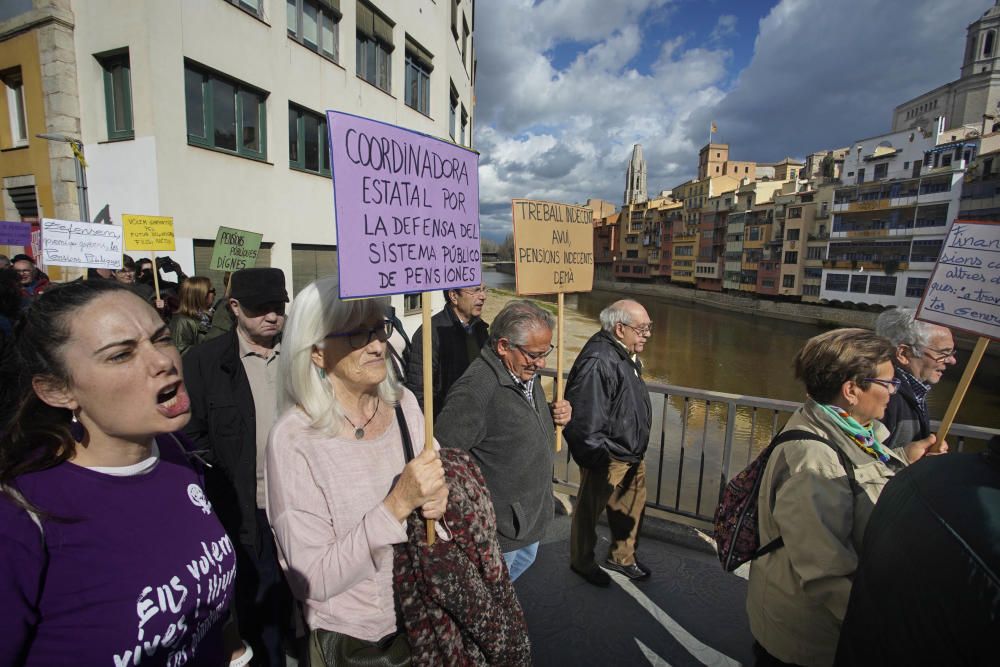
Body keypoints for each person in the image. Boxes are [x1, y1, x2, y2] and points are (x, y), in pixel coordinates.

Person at [0, 280, 236, 665]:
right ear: (58, 391)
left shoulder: (177, 452)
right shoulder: (18, 517)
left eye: (160, 338)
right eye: (120, 355)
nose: (163, 362)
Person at [265, 275, 447, 661]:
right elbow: (312, 578)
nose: (378, 344)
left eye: (379, 327)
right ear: (316, 353)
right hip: (357, 641)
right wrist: (396, 505)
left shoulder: (405, 403)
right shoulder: (294, 439)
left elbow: (437, 480)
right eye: (357, 334)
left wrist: (439, 495)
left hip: (424, 615)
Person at [747, 328, 942, 667]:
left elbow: (856, 476)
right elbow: (826, 572)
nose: (894, 393)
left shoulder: (851, 430)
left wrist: (904, 459)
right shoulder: (813, 460)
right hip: (808, 637)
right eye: (889, 384)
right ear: (852, 390)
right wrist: (888, 630)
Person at [182, 267, 293, 666]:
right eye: (259, 308)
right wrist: (222, 477)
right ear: (234, 307)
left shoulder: (304, 355)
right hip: (247, 509)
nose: (271, 315)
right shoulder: (204, 361)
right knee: (259, 598)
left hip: (300, 505)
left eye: (278, 306)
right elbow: (190, 433)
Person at [435, 300, 572, 581]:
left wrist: (551, 414)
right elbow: (443, 458)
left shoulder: (520, 370)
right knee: (491, 599)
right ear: (503, 346)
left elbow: (512, 419)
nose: (542, 363)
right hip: (501, 529)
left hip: (526, 521)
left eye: (546, 352)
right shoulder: (475, 391)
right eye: (534, 354)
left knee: (509, 586)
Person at [835, 436, 1000, 666]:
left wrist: (904, 459)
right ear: (850, 396)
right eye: (890, 395)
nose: (891, 397)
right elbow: (821, 564)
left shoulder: (920, 473)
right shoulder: (811, 456)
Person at [564, 299, 653, 586]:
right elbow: (585, 420)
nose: (647, 334)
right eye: (642, 329)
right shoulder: (600, 360)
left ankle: (622, 558)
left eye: (649, 327)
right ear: (619, 328)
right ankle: (582, 562)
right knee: (589, 513)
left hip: (629, 451)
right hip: (607, 456)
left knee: (630, 508)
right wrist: (596, 460)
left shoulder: (623, 352)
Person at [874, 307, 957, 448]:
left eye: (952, 352)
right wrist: (908, 460)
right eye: (943, 353)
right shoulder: (884, 397)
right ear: (904, 353)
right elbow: (862, 462)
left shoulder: (911, 390)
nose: (952, 360)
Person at [403, 285, 488, 415]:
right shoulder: (430, 333)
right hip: (445, 424)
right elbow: (419, 392)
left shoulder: (480, 329)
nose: (483, 296)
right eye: (476, 290)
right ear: (453, 296)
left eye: (484, 289)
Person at [171, 276, 215, 356]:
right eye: (212, 291)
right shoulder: (182, 321)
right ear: (201, 294)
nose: (215, 294)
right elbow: (181, 353)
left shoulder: (209, 316)